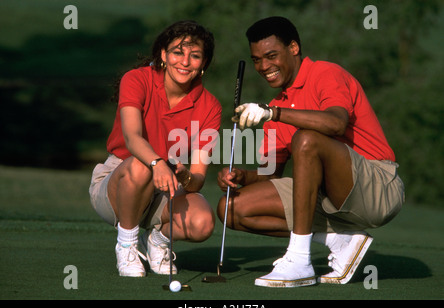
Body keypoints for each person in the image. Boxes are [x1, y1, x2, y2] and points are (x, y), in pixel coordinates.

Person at [217, 16, 405, 288]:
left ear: (294, 48)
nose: (264, 66)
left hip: (378, 189)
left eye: (271, 56)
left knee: (306, 140)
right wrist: (239, 177)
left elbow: (335, 122)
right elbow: (270, 174)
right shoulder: (276, 105)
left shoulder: (325, 73)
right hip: (329, 200)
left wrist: (273, 113)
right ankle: (340, 240)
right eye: (257, 59)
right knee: (231, 208)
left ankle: (299, 261)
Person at [89, 20, 222, 277]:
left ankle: (157, 242)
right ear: (163, 54)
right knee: (142, 164)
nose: (185, 62)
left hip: (167, 185)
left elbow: (197, 181)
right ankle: (127, 244)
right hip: (118, 181)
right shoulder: (137, 79)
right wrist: (158, 163)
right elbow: (132, 138)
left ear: (204, 63)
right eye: (177, 52)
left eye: (195, 56)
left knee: (202, 223)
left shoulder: (211, 107)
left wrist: (185, 176)